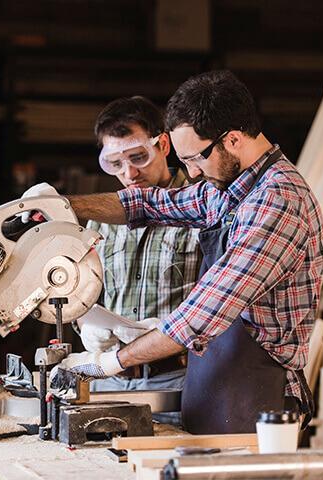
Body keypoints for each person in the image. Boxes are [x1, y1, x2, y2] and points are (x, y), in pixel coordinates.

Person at [53, 70, 323, 435]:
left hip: (259, 394)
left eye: (196, 159)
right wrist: (60, 206)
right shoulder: (227, 189)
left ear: (231, 140)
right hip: (216, 382)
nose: (192, 173)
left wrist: (107, 363)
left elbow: (202, 313)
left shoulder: (276, 199)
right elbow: (147, 205)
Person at [83, 97, 200, 410]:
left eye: (138, 157)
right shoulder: (101, 221)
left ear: (163, 144)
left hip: (179, 379)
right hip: (111, 379)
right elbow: (86, 293)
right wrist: (86, 327)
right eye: (116, 164)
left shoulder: (200, 209)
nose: (129, 173)